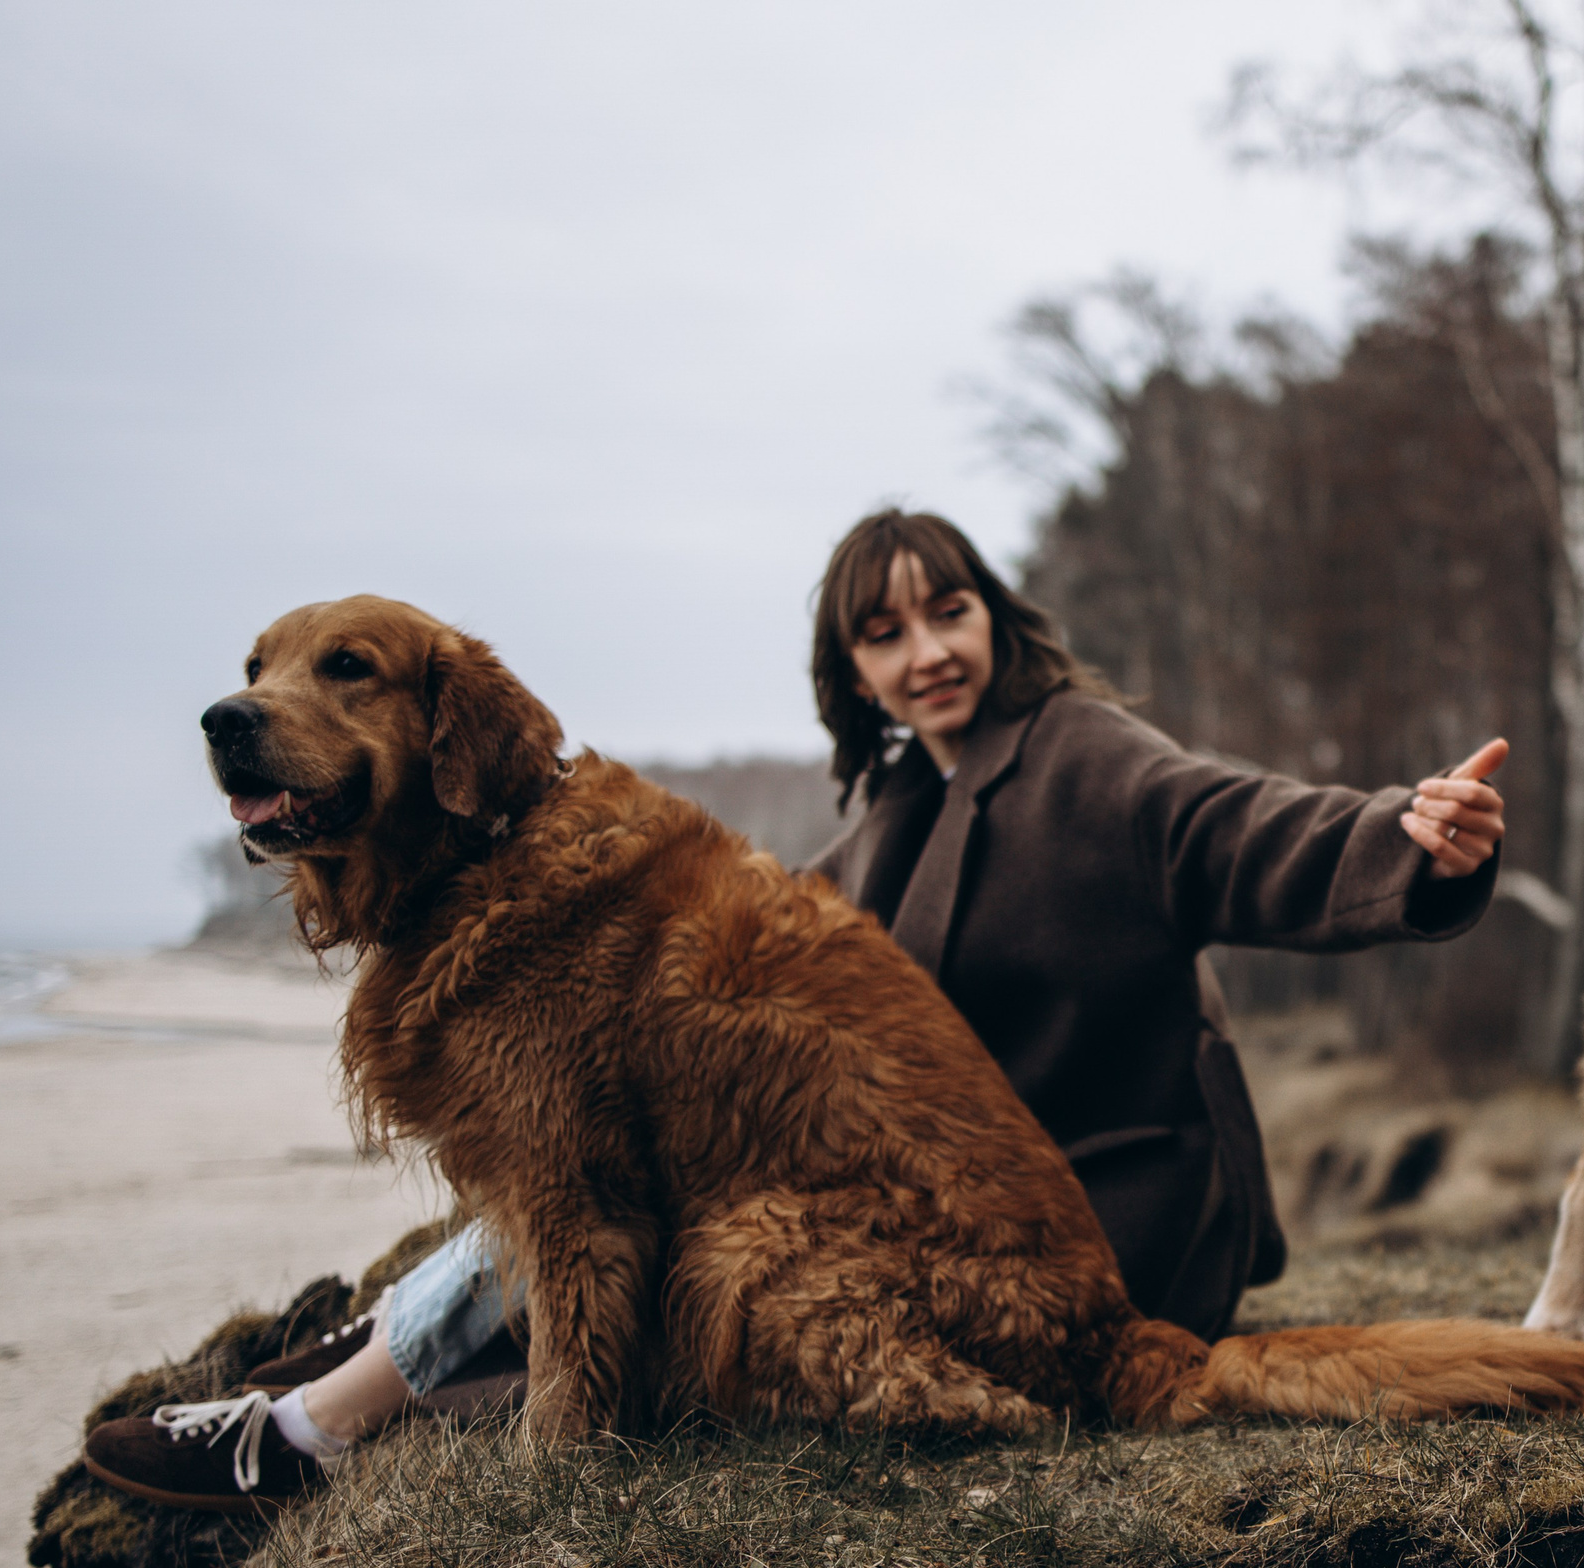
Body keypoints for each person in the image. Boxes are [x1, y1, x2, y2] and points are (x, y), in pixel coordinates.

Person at [84, 509, 1508, 1512]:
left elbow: (1248, 830)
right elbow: (734, 972)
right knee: (566, 1188)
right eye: (883, 631)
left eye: (949, 611)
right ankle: (343, 1377)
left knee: (585, 1218)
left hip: (1105, 1230)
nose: (924, 650)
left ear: (997, 620)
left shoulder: (1096, 762)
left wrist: (1411, 840)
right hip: (930, 1212)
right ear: (856, 668)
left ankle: (309, 1421)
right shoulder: (889, 814)